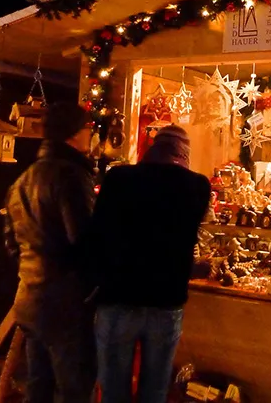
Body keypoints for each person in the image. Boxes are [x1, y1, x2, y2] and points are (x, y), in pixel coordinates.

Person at [88, 125, 210, 403]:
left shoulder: (118, 178)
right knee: (154, 390)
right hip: (166, 300)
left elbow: (99, 232)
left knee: (114, 389)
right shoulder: (198, 185)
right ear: (184, 152)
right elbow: (192, 234)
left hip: (118, 295)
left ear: (153, 147)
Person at [3, 103, 97, 403]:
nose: (91, 135)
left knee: (38, 384)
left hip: (29, 297)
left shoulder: (23, 180)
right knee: (73, 388)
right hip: (65, 303)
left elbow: (11, 242)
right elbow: (84, 240)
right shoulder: (71, 176)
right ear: (73, 134)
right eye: (88, 129)